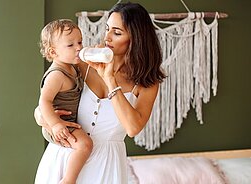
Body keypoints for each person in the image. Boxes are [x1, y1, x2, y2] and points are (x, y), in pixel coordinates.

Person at [35, 2, 166, 183]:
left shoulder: (147, 83)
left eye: (117, 32)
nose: (107, 38)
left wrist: (110, 79)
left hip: (106, 166)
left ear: (136, 39)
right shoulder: (83, 63)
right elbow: (47, 97)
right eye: (107, 29)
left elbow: (133, 127)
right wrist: (43, 117)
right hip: (64, 157)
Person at [37, 19, 93, 184]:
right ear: (53, 52)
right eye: (70, 45)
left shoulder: (73, 67)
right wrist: (55, 124)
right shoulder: (56, 75)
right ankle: (68, 180)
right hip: (60, 124)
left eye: (80, 42)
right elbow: (44, 101)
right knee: (85, 145)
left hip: (66, 122)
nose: (78, 47)